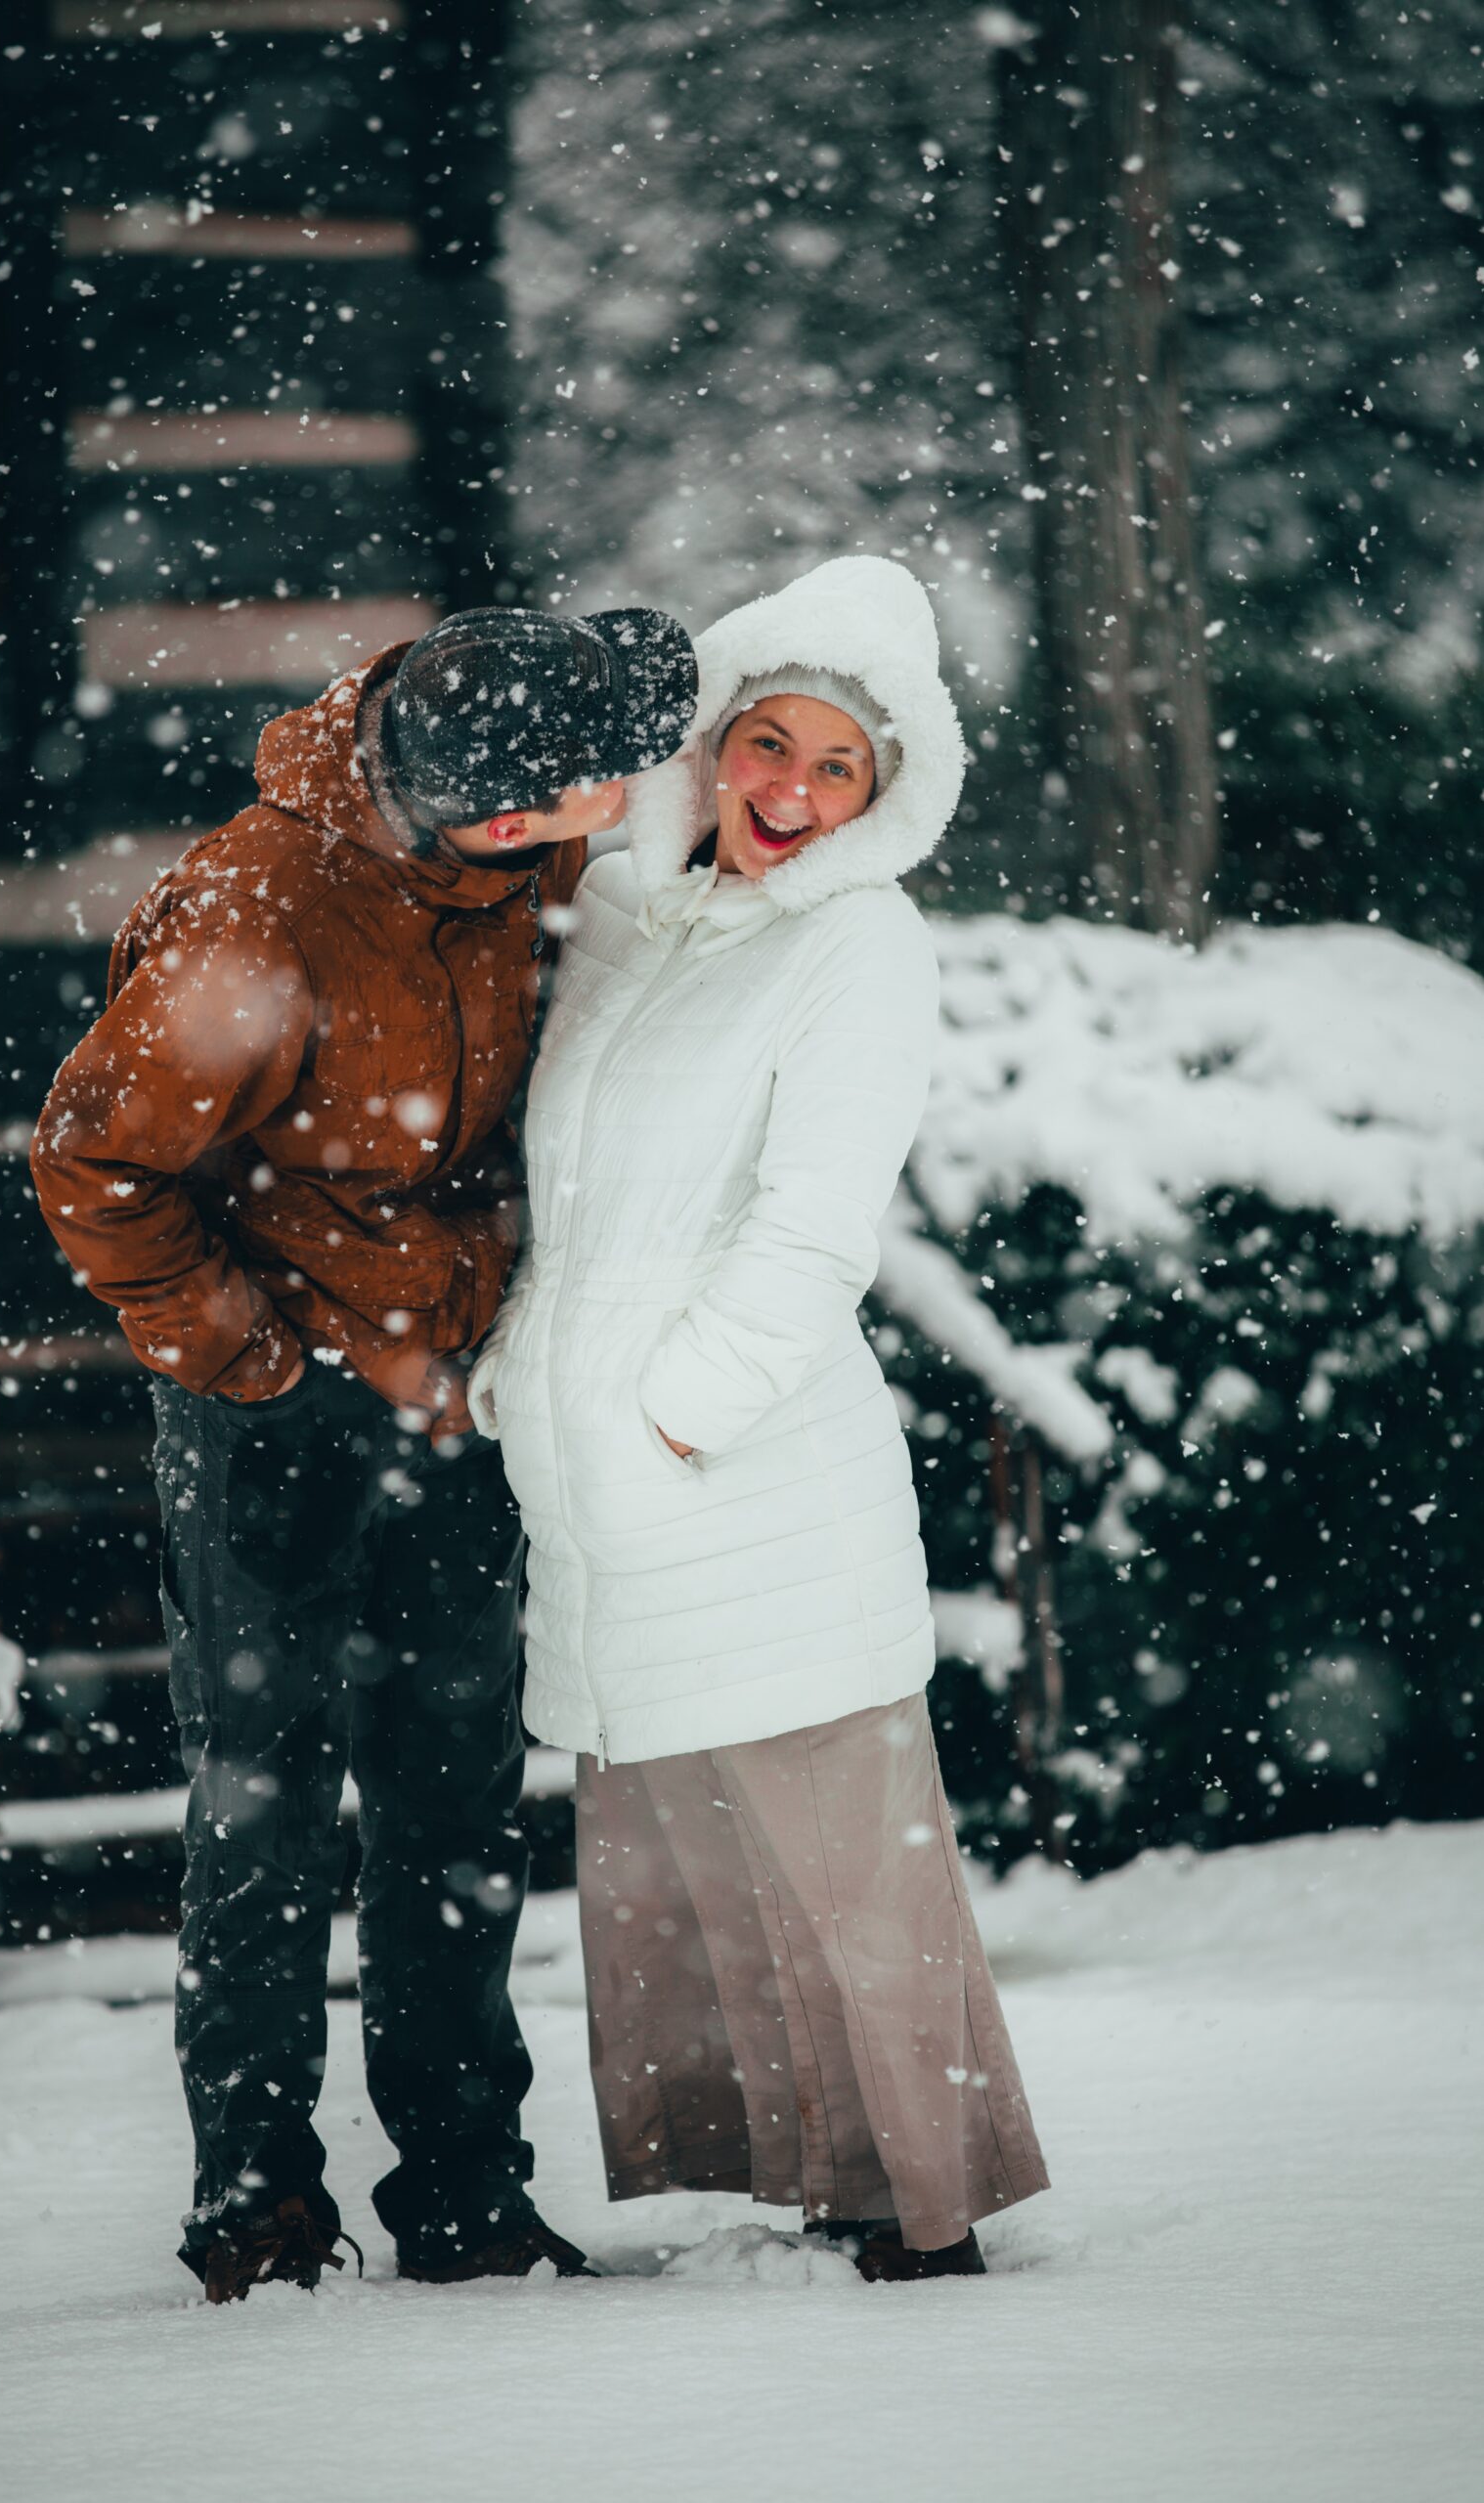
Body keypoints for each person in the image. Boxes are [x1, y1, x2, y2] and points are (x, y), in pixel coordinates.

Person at [30, 603, 697, 2300]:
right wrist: (245, 1356)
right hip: (277, 1408)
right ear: (484, 811)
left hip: (455, 1389)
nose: (611, 809)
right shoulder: (262, 908)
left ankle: (467, 2194)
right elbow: (95, 1166)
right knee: (266, 1813)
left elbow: (673, 710)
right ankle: (254, 2203)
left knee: (453, 1806)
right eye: (573, 799)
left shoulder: (517, 822)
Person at [468, 555, 1048, 2280]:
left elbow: (813, 1230)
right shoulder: (630, 916)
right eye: (766, 745)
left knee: (847, 1864)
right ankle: (816, 2178)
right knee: (707, 1866)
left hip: (747, 1458)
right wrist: (524, 1369)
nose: (788, 791)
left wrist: (674, 1414)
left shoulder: (860, 945)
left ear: (883, 796)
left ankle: (920, 2208)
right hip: (593, 1458)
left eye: (836, 768)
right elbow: (557, 1187)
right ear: (715, 742)